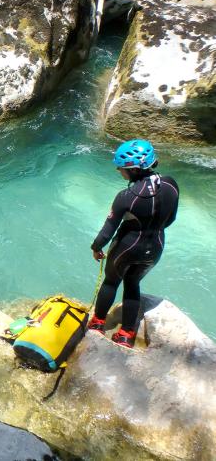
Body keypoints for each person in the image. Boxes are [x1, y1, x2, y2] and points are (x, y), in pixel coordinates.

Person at [87, 140, 179, 348]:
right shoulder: (171, 184)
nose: (119, 171)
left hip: (126, 248)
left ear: (134, 169)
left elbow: (107, 231)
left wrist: (95, 248)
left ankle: (98, 323)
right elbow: (171, 219)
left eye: (122, 168)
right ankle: (127, 334)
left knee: (111, 281)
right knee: (133, 283)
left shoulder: (126, 197)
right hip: (155, 247)